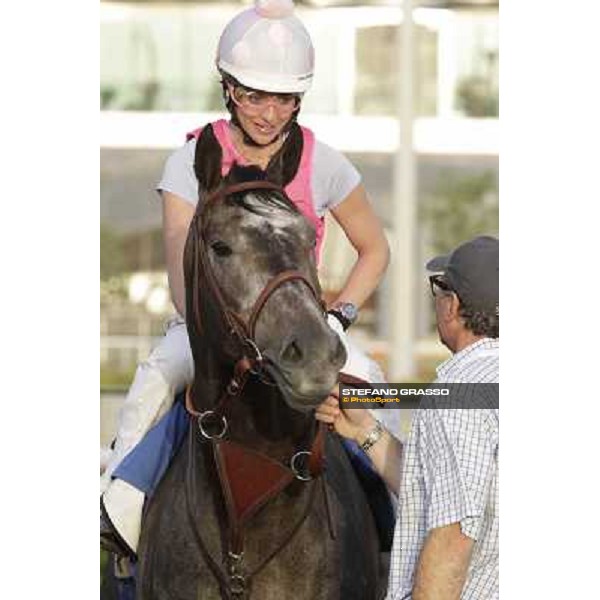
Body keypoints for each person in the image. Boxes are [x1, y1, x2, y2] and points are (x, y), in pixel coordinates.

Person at [100, 0, 390, 559]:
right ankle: (121, 507)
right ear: (228, 88)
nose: (268, 112)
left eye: (283, 98)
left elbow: (375, 249)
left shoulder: (324, 161)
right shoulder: (189, 162)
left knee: (367, 379)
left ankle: (391, 517)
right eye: (255, 95)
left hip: (302, 326)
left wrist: (338, 316)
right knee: (159, 376)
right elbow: (181, 270)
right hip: (212, 326)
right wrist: (222, 341)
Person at [316, 235, 499, 599]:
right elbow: (439, 491)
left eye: (439, 290)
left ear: (452, 305)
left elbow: (454, 531)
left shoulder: (458, 396)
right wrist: (364, 429)